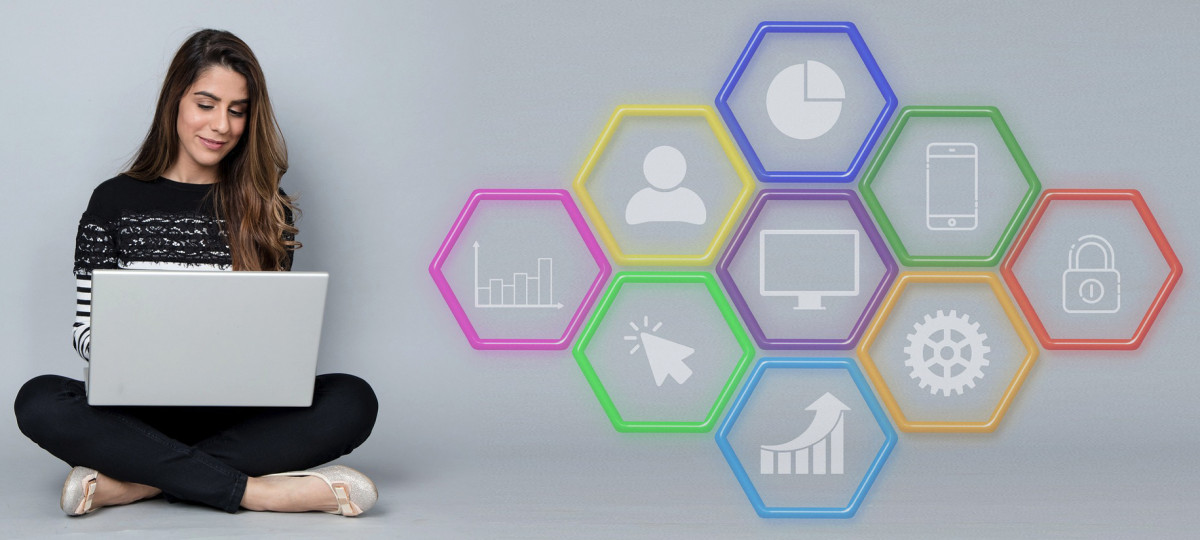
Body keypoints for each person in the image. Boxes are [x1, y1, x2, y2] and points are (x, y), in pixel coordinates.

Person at [12, 29, 379, 517]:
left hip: (238, 416)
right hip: (135, 414)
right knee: (38, 400)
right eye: (206, 104)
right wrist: (138, 352)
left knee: (354, 399)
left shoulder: (267, 207)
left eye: (237, 110)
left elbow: (273, 338)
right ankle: (258, 492)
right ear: (175, 101)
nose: (221, 125)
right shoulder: (112, 201)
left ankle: (138, 482)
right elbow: (84, 330)